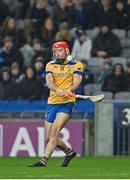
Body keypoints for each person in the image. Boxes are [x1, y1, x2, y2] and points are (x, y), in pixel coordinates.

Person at [29, 41, 83, 167]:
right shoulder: (50, 65)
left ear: (67, 51)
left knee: (55, 131)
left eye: (60, 51)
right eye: (55, 52)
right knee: (49, 138)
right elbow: (48, 81)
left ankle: (43, 161)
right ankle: (69, 152)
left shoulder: (77, 64)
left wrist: (69, 89)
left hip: (67, 103)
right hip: (52, 102)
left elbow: (77, 81)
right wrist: (56, 89)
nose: (58, 54)